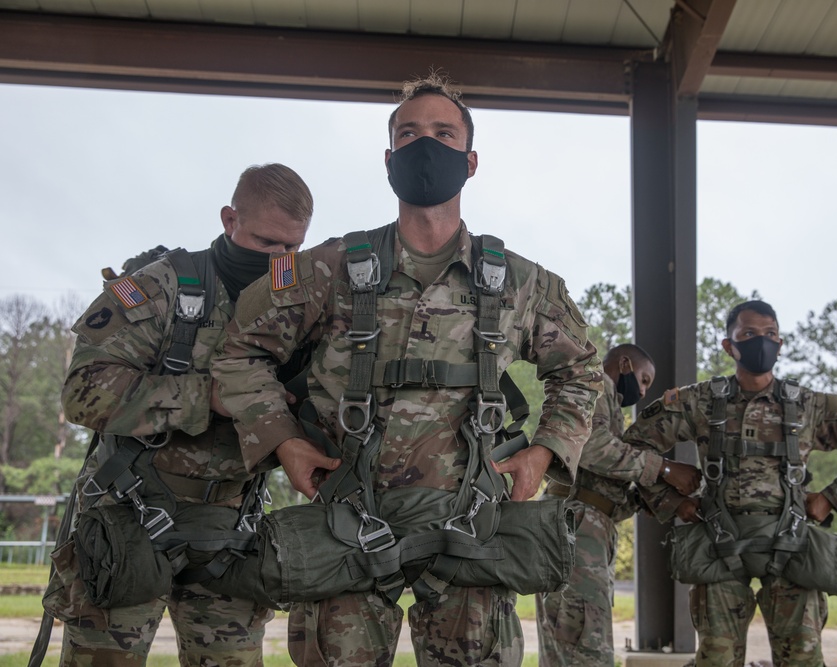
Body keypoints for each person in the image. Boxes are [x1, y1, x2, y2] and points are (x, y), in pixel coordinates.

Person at [211, 72, 603, 666]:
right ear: (389, 158)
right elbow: (239, 351)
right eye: (409, 133)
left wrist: (544, 452)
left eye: (443, 133)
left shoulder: (521, 283)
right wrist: (282, 441)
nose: (426, 145)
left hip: (471, 528)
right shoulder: (330, 267)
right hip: (347, 520)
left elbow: (580, 371)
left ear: (470, 162)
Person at [44, 163, 313, 666]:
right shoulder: (161, 286)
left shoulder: (292, 300)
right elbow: (83, 393)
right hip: (132, 516)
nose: (279, 259)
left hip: (230, 529)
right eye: (266, 242)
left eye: (292, 248)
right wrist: (205, 397)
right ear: (230, 220)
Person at [624, 300, 837, 667]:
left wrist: (831, 498)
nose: (761, 342)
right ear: (729, 345)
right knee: (715, 660)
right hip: (720, 545)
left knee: (802, 658)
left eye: (770, 335)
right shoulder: (699, 401)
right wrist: (672, 499)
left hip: (792, 544)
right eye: (749, 334)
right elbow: (631, 449)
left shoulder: (811, 406)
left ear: (780, 344)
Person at [536, 343, 701, 666]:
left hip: (587, 527)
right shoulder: (595, 386)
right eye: (643, 379)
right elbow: (592, 448)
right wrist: (664, 468)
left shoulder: (610, 405)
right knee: (584, 645)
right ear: (624, 364)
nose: (641, 390)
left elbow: (604, 488)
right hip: (574, 528)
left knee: (575, 642)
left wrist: (662, 502)